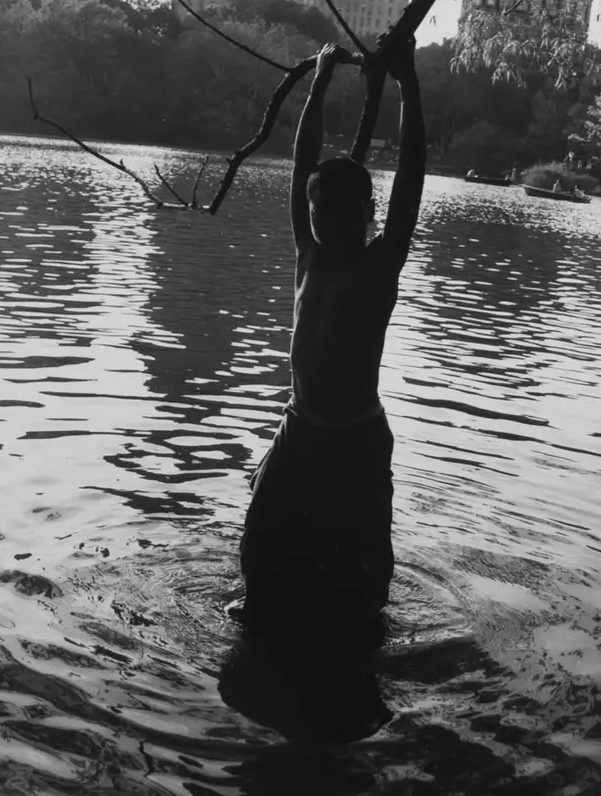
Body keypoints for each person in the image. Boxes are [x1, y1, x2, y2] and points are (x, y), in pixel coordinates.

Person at [222, 41, 424, 744]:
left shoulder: (382, 262)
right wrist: (321, 74)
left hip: (356, 435)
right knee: (259, 543)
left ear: (367, 215)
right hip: (299, 426)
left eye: (345, 214)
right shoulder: (306, 252)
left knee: (364, 562)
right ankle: (268, 631)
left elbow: (412, 177)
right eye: (320, 213)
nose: (329, 224)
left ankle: (359, 645)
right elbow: (302, 160)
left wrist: (410, 87)